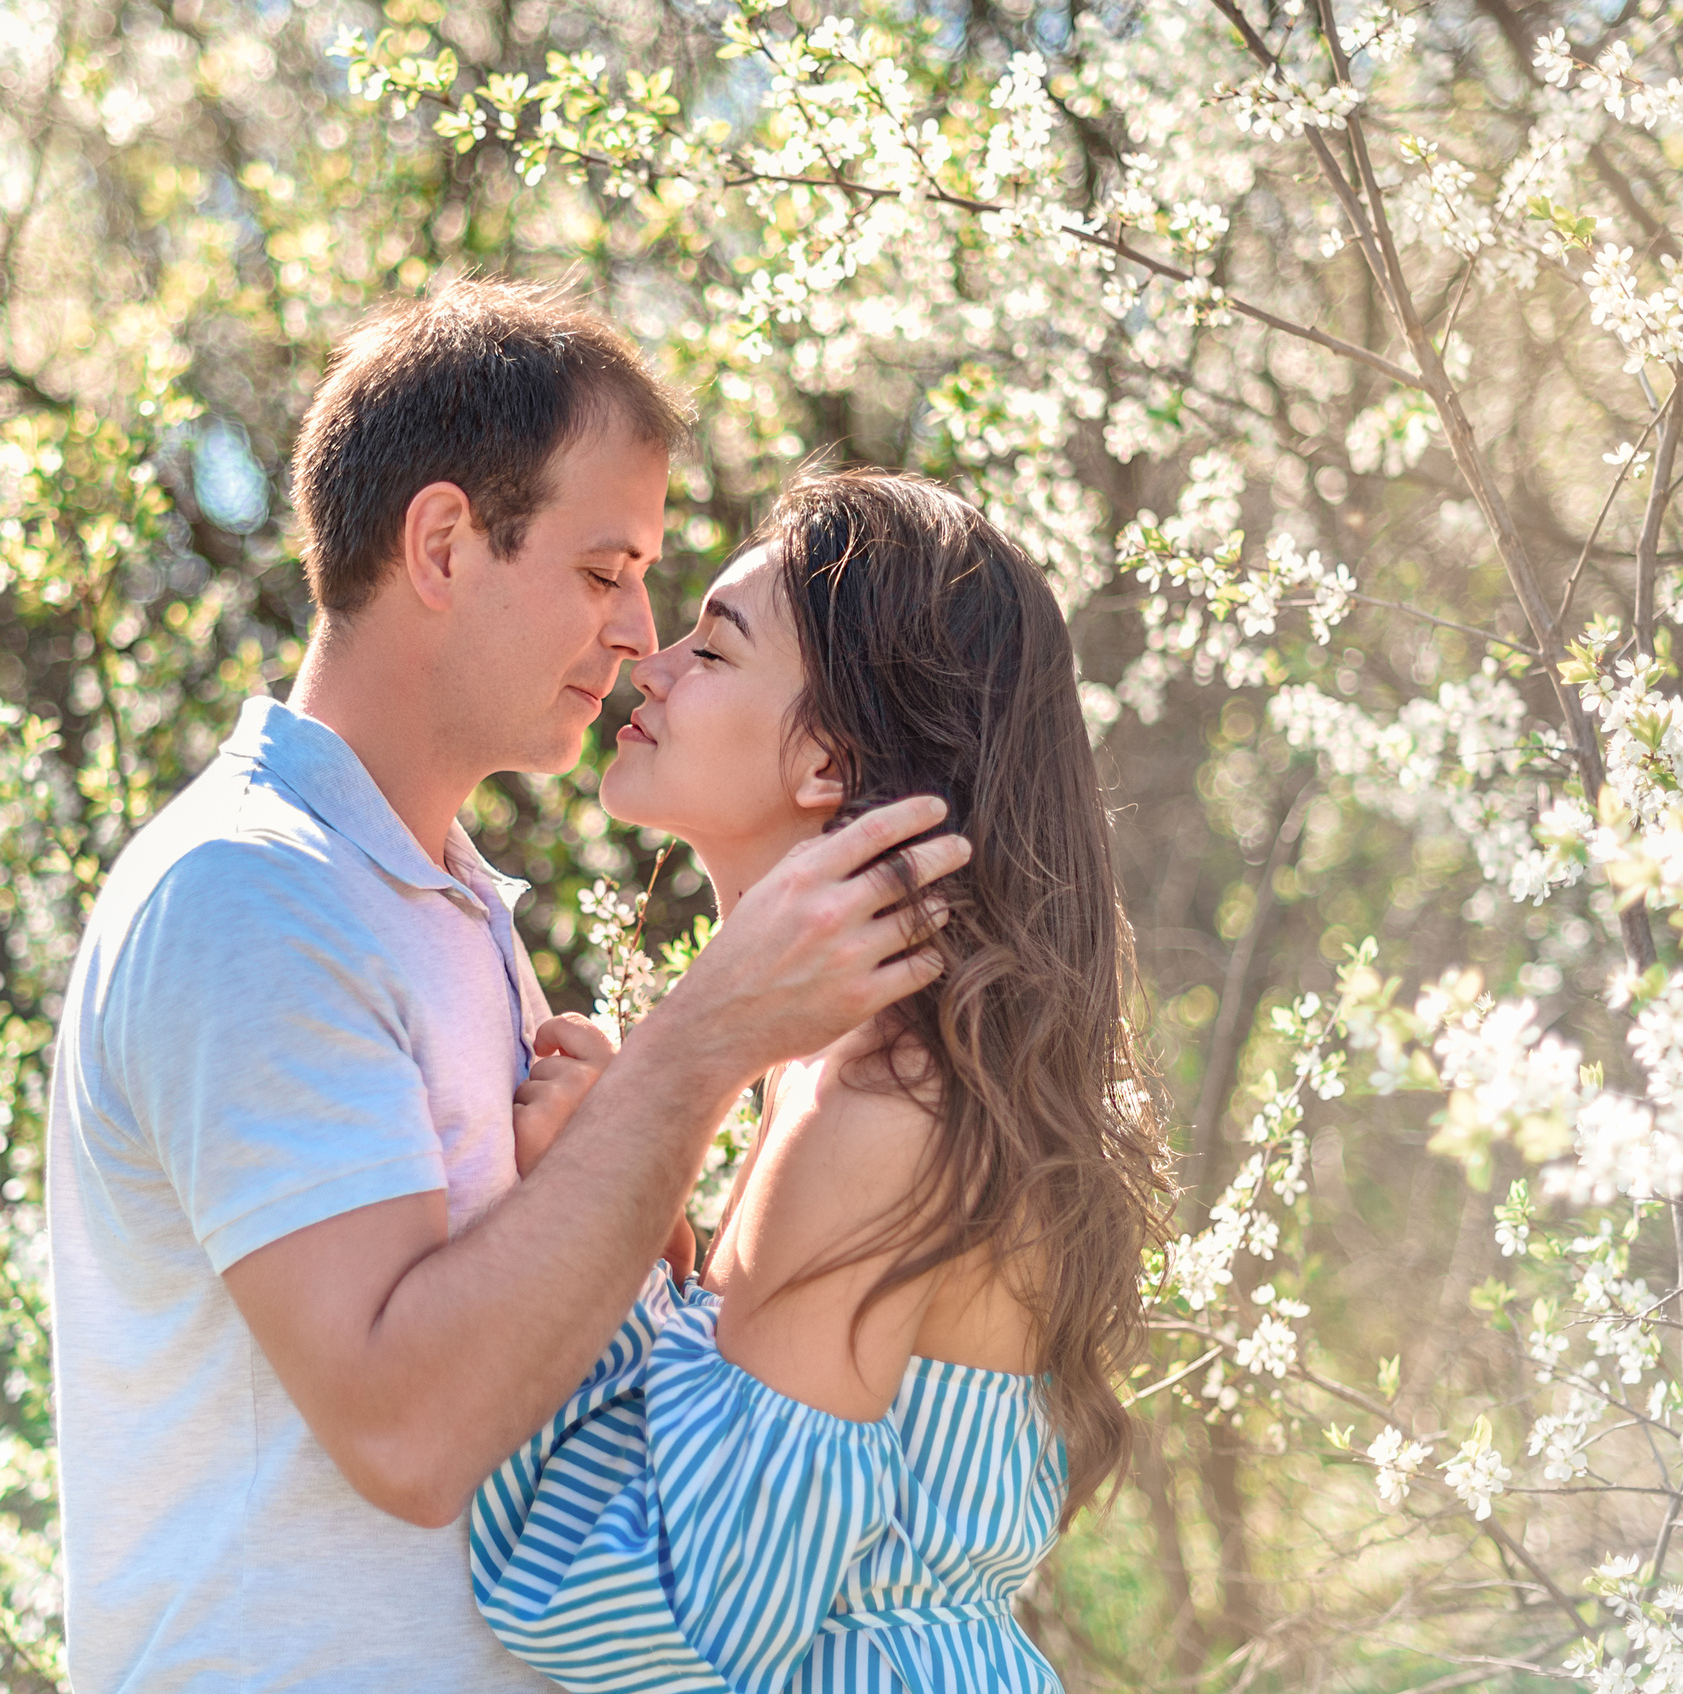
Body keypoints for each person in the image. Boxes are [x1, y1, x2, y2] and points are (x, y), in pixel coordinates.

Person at [45, 284, 971, 1693]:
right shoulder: (247, 897)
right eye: (605, 572)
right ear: (442, 545)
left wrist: (635, 1192)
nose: (638, 633)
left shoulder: (443, 900)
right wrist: (704, 1040)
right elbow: (410, 1434)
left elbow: (530, 1355)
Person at [471, 471, 1172, 1692]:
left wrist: (589, 1199)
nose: (653, 662)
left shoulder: (876, 1105)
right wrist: (646, 1218)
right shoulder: (887, 1080)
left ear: (827, 757)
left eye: (716, 646)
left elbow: (658, 1617)